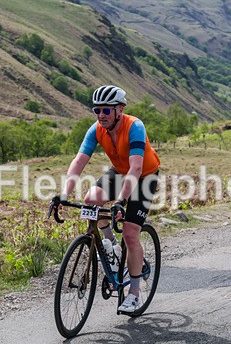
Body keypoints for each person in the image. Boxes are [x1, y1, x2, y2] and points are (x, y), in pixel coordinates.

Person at [53, 85, 160, 314]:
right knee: (91, 199)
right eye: (97, 110)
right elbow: (79, 161)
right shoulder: (96, 130)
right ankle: (111, 246)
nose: (101, 115)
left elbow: (136, 167)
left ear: (119, 110)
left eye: (106, 111)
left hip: (144, 176)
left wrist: (121, 201)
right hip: (121, 173)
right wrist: (64, 195)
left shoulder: (135, 127)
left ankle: (133, 294)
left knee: (131, 233)